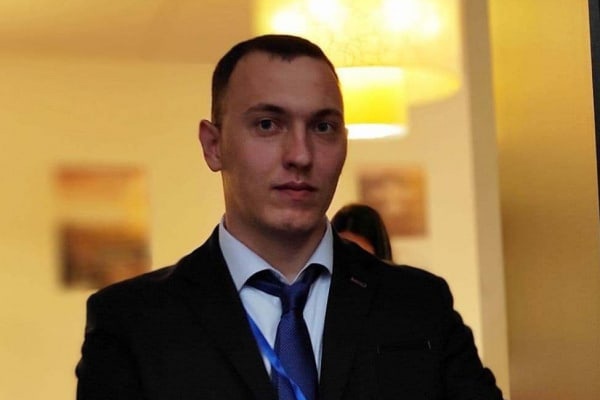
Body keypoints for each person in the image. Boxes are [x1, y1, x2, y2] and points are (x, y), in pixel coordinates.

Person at [76, 34, 503, 400]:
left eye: (322, 127)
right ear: (213, 145)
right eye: (267, 124)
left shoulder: (417, 304)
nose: (300, 155)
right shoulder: (133, 321)